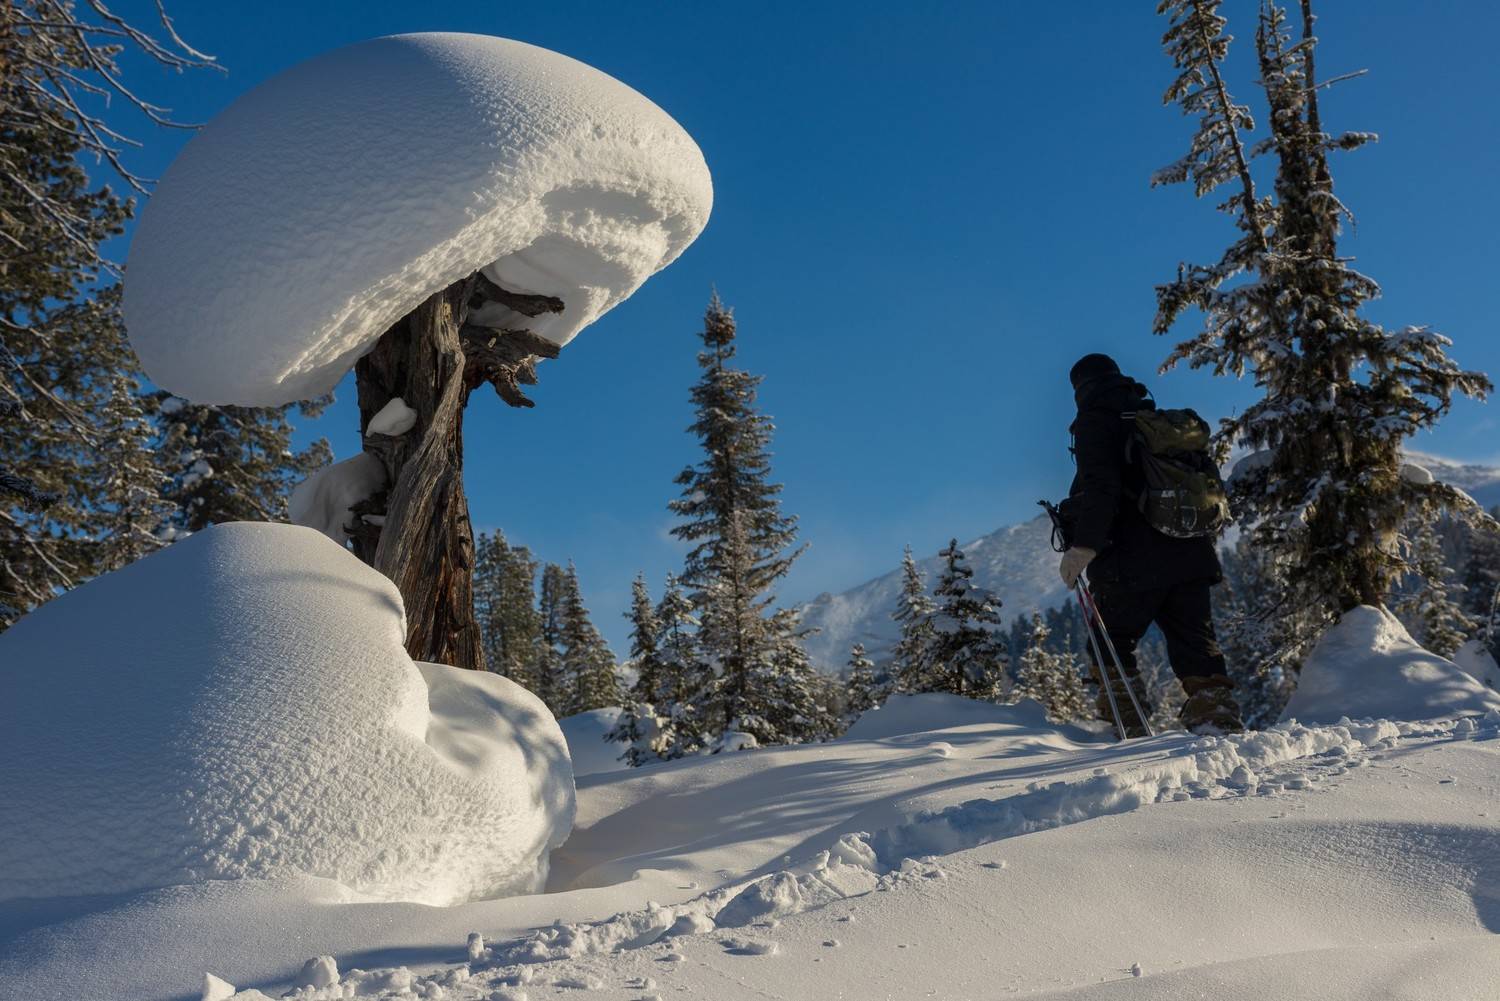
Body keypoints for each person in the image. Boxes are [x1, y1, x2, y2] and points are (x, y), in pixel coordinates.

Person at [1059, 353, 1242, 735]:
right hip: (1191, 552)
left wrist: (1084, 547)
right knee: (1195, 642)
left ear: (1081, 389)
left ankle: (1127, 728)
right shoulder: (1158, 424)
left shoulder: (1096, 422)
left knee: (1110, 640)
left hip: (1131, 559)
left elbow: (1102, 489)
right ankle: (1216, 721)